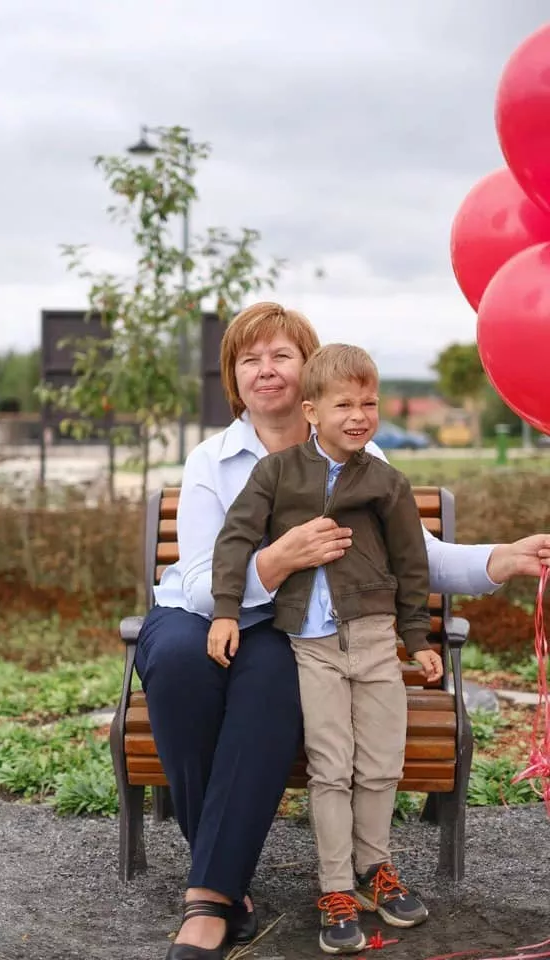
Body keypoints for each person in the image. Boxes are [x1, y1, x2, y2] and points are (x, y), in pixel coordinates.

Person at [134, 301, 550, 960]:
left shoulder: (359, 451)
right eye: (249, 359)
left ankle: (211, 896)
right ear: (234, 376)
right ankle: (224, 878)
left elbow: (417, 555)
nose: (266, 369)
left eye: (281, 355)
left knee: (271, 682)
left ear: (308, 373)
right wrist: (279, 559)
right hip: (200, 613)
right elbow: (199, 581)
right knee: (182, 665)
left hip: (292, 631)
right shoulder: (211, 461)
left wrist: (500, 558)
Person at [207, 343, 443, 954]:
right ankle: (336, 887)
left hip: (375, 641)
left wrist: (417, 637)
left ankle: (375, 869)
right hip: (312, 647)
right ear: (311, 411)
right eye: (344, 405)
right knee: (332, 767)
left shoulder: (386, 482)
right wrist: (227, 610)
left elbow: (412, 565)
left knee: (382, 763)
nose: (359, 416)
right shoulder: (277, 474)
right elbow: (234, 540)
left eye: (369, 403)